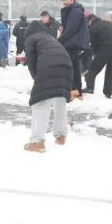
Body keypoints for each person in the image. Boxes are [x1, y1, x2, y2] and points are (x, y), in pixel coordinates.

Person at [22, 21, 73, 151]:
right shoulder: (50, 38)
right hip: (66, 68)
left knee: (40, 102)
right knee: (59, 101)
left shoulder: (31, 38)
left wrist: (36, 79)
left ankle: (37, 141)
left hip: (49, 68)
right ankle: (61, 136)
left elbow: (31, 62)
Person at [58, 0, 91, 99]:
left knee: (70, 69)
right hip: (72, 44)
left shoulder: (75, 12)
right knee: (74, 69)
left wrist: (59, 40)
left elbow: (71, 30)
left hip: (72, 44)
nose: (64, 2)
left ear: (72, 0)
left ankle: (74, 92)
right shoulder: (72, 10)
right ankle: (76, 93)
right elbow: (69, 28)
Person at [83, 14, 112, 97]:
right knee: (110, 72)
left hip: (105, 50)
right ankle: (108, 92)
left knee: (92, 70)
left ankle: (89, 88)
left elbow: (94, 44)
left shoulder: (93, 28)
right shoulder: (110, 23)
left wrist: (94, 54)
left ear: (90, 21)